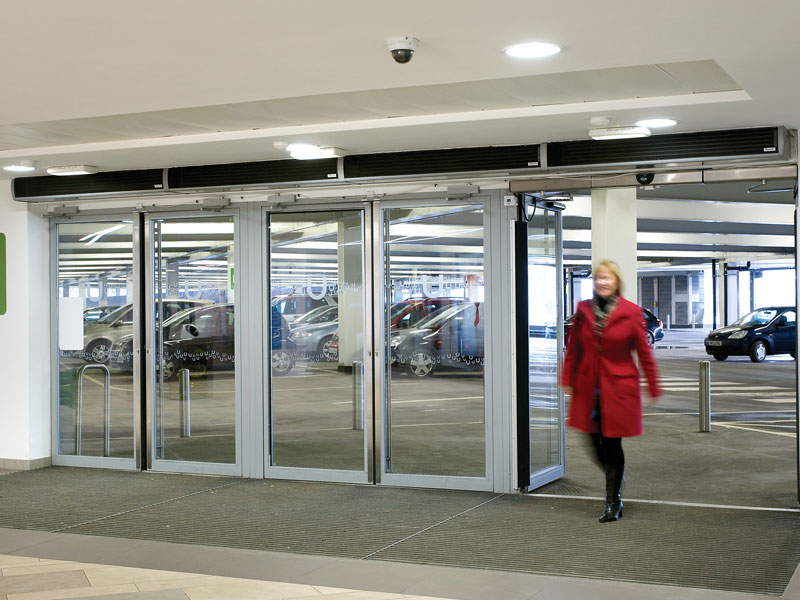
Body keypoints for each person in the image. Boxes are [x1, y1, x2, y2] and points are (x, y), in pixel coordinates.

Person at [561, 260, 662, 523]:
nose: (602, 282)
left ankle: (613, 501)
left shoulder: (631, 312)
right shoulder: (583, 310)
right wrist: (567, 377)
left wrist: (653, 384)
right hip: (588, 386)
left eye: (608, 278)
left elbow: (643, 352)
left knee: (612, 441)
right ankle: (614, 473)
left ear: (617, 282)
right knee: (591, 439)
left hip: (617, 387)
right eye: (598, 278)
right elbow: (574, 348)